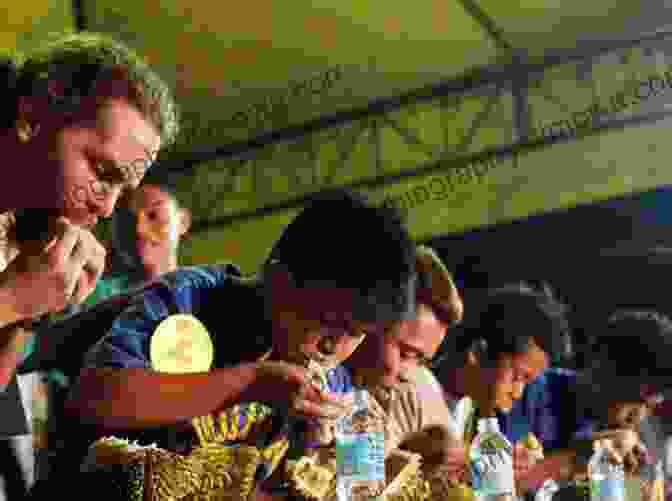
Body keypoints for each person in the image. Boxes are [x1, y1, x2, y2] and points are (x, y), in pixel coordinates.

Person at [59, 189, 418, 500]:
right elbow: (95, 398)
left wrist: (311, 451)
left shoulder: (332, 383)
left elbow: (357, 482)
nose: (332, 347)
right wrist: (250, 382)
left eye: (354, 333)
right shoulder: (190, 300)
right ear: (279, 277)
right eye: (328, 321)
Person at [0, 32, 177, 498]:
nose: (106, 208)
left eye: (121, 187)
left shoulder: (18, 227)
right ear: (32, 116)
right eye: (102, 172)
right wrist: (12, 297)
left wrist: (29, 313)